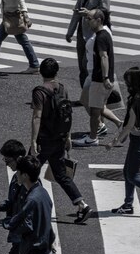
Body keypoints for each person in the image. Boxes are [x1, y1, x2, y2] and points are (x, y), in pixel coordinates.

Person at [30, 58, 93, 224]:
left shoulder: (39, 92)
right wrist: (68, 137)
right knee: (61, 174)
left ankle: (27, 208)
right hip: (59, 138)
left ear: (40, 72)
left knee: (28, 172)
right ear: (56, 72)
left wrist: (33, 141)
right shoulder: (63, 89)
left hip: (44, 139)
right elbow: (67, 114)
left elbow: (37, 116)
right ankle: (82, 205)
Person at [73, 9, 119, 147]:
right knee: (96, 108)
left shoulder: (100, 37)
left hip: (99, 78)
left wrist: (105, 78)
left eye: (89, 19)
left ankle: (93, 138)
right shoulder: (103, 33)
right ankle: (120, 124)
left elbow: (104, 57)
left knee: (94, 111)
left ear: (99, 20)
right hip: (98, 77)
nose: (87, 21)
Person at [106, 67, 140, 214]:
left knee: (132, 175)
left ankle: (128, 204)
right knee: (127, 172)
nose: (126, 84)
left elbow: (129, 125)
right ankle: (128, 204)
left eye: (128, 81)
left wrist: (115, 141)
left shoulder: (136, 100)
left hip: (139, 140)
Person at [65, 0, 110, 88]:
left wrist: (88, 12)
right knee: (82, 66)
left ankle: (93, 92)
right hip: (81, 32)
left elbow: (104, 12)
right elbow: (76, 11)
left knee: (89, 64)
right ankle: (84, 94)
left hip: (94, 34)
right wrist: (70, 32)